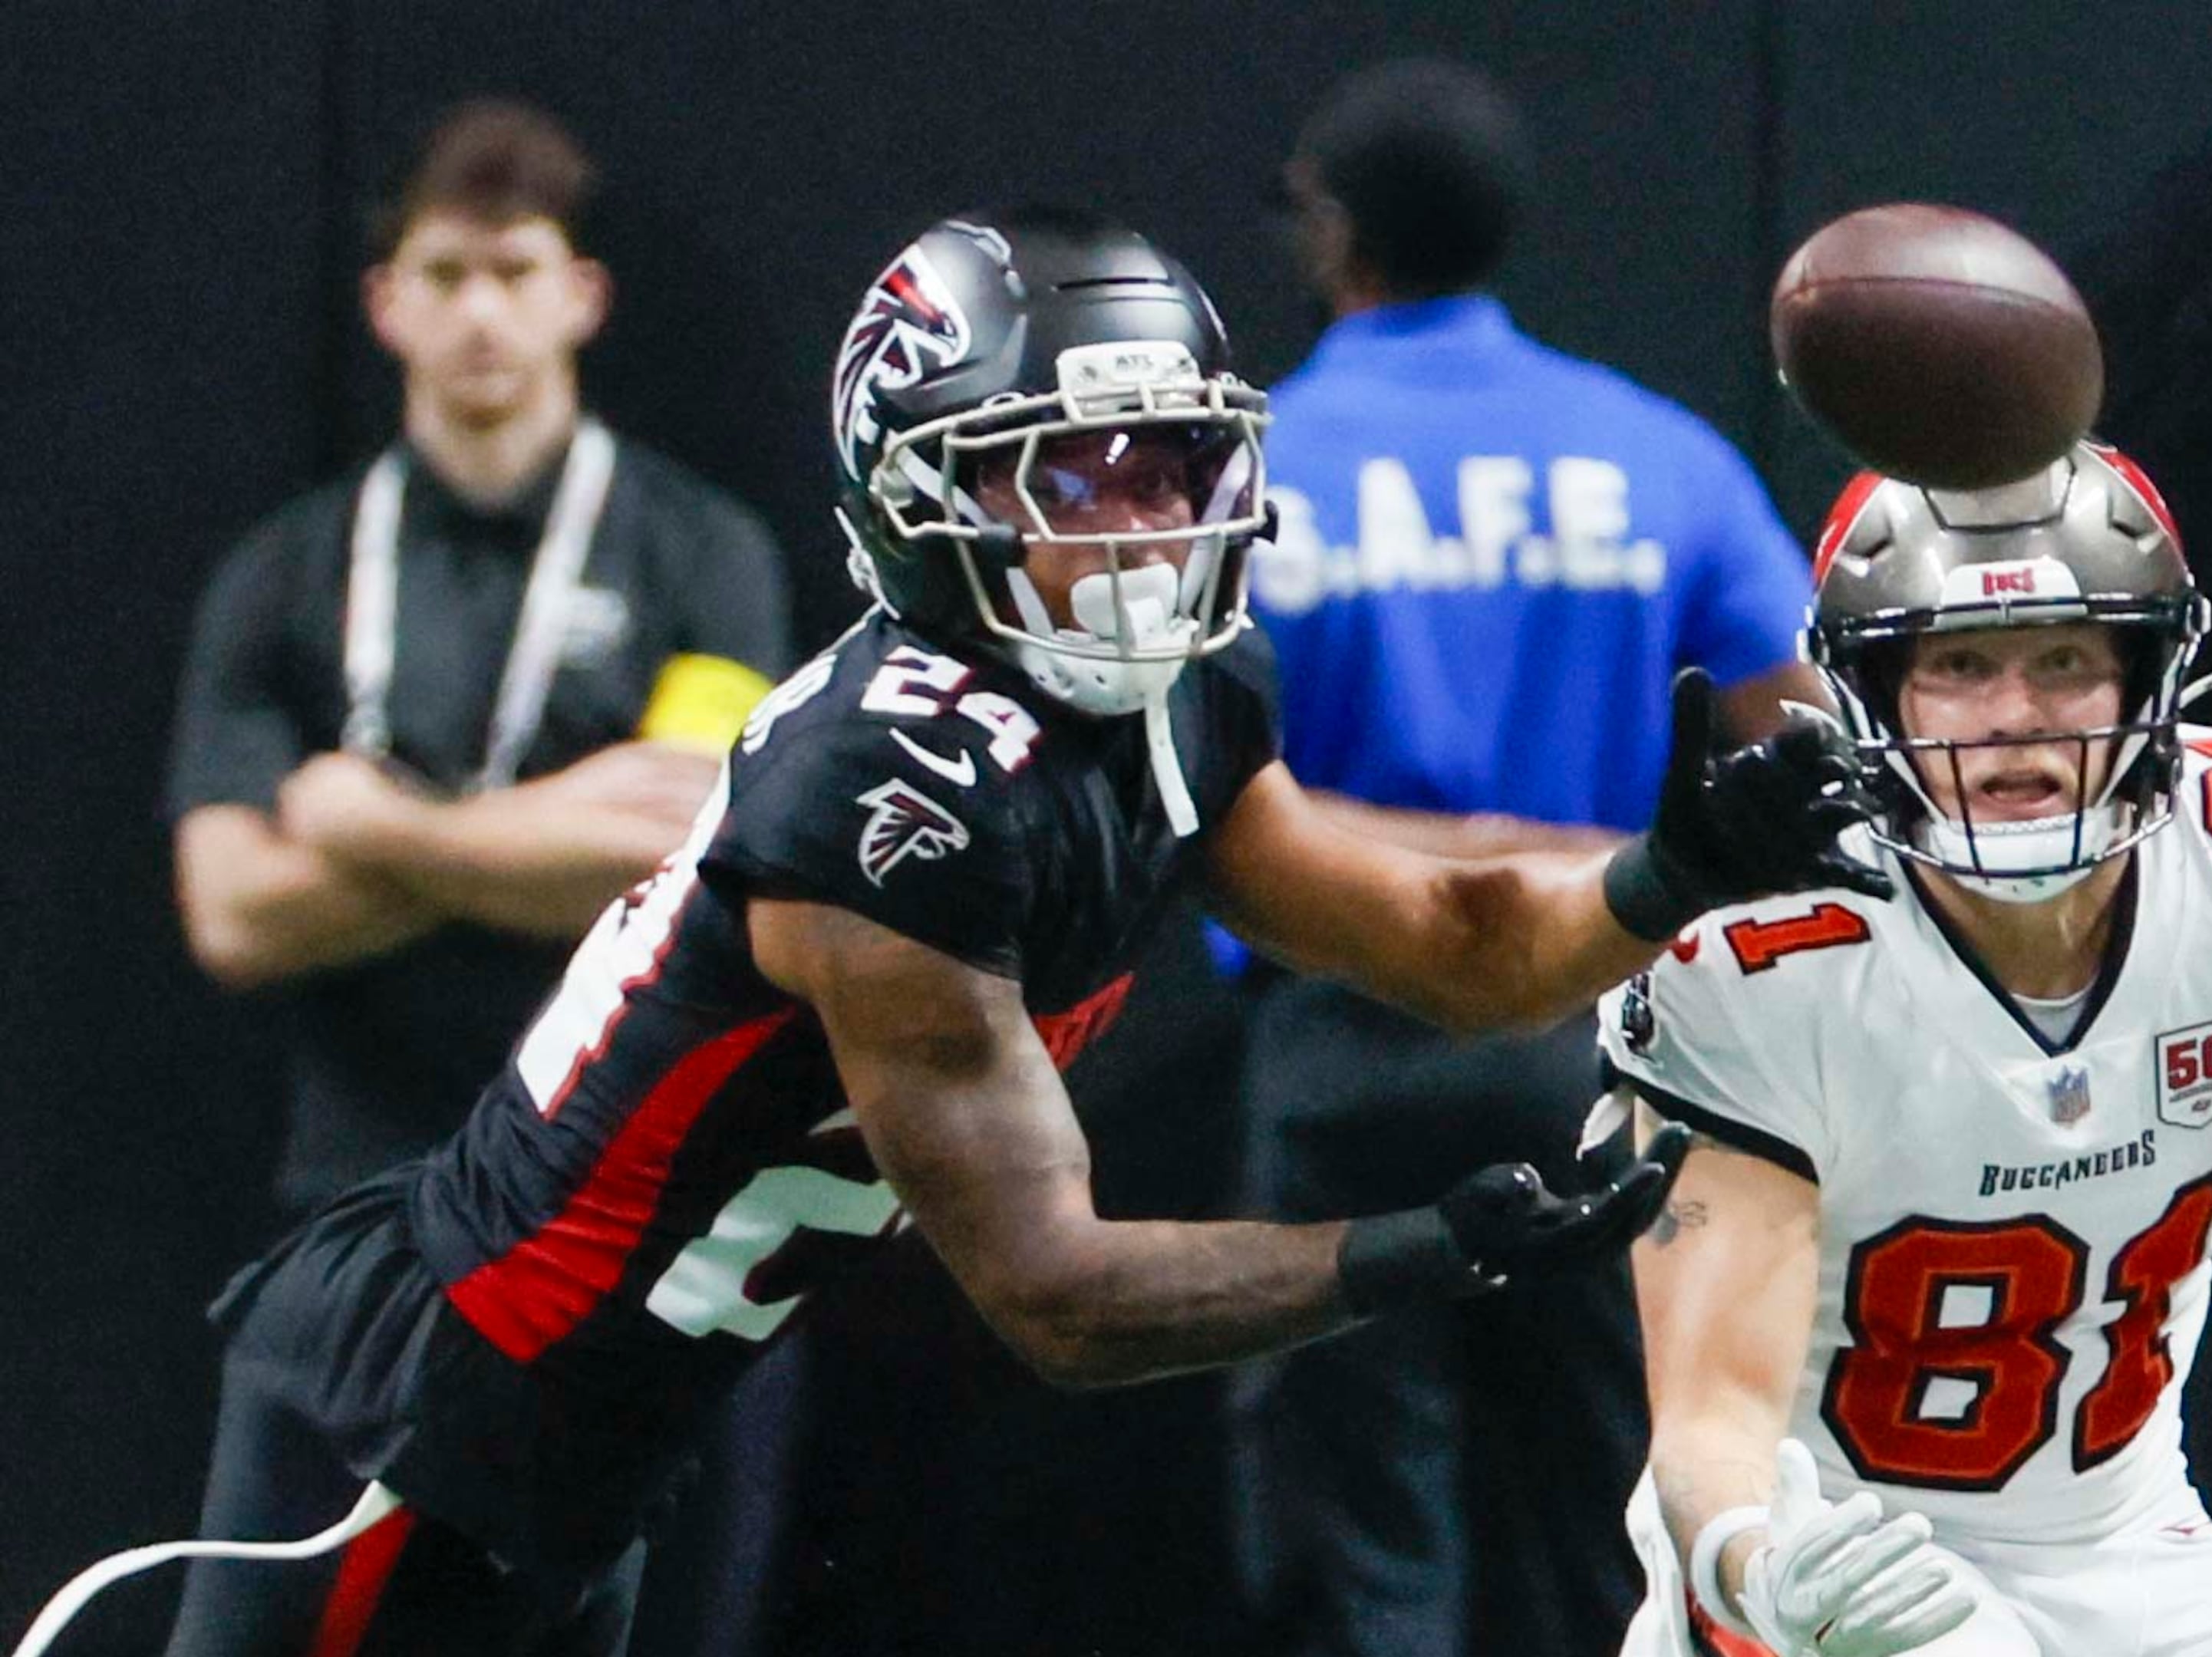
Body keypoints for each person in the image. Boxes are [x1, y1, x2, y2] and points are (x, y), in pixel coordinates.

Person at [28, 206, 1888, 1657]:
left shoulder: (1168, 694)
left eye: (1177, 467)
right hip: (422, 1428)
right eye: (1085, 478)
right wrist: (1415, 1251)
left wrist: (1669, 876)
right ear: (923, 490)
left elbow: (1446, 941)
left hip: (601, 1436)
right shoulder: (886, 800)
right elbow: (1059, 1299)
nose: (1154, 529)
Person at [1600, 446, 2212, 1657]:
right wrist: (1755, 1568)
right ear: (1871, 693)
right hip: (1832, 1547)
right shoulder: (1764, 952)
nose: (2016, 715)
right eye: (1961, 665)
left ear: (2151, 673)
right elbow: (1711, 1424)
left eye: (2067, 660)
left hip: (2119, 1534)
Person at [1231, 58, 1829, 1657]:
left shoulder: (1250, 471)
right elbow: (1800, 743)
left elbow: (1186, 783)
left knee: (1360, 1559)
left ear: (1333, 233)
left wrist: (1431, 861)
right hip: (1600, 1029)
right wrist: (1582, 856)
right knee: (1622, 1528)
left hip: (1338, 1034)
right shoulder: (1660, 457)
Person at [165, 98, 794, 1217]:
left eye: (514, 270)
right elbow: (231, 915)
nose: (481, 313)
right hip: (363, 1186)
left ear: (582, 296)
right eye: (446, 274)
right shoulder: (282, 571)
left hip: (627, 1171)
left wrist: (376, 829)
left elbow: (679, 867)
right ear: (386, 303)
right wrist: (555, 834)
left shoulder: (708, 551)